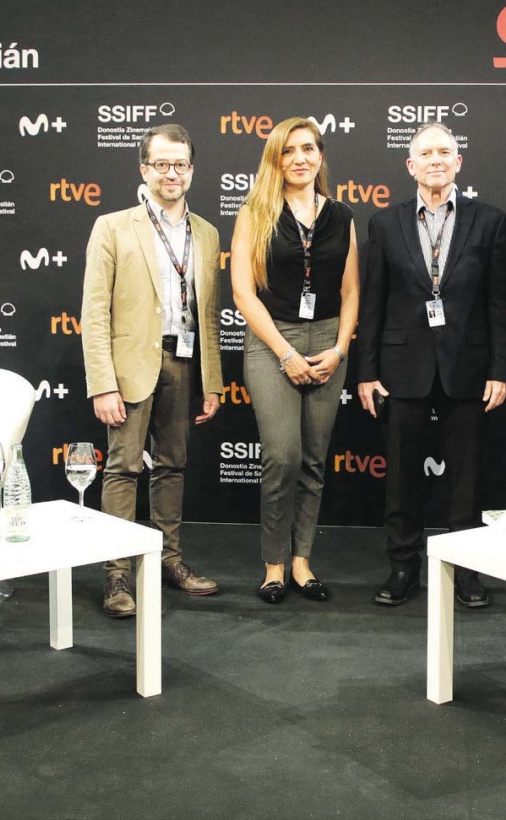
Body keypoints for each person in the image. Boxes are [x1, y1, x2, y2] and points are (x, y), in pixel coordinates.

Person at [356, 122, 506, 608]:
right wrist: (367, 372)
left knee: (467, 480)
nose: (436, 161)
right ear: (411, 165)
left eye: (445, 152)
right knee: (401, 477)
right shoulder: (385, 223)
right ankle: (403, 567)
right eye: (426, 154)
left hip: (468, 368)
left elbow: (502, 304)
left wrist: (501, 370)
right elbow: (372, 303)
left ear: (458, 162)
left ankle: (466, 570)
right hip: (401, 368)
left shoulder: (490, 222)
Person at [81, 123, 223, 618]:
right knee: (123, 468)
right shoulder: (112, 226)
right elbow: (94, 312)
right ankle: (117, 573)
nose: (171, 173)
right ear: (144, 169)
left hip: (183, 362)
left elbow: (208, 315)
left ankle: (168, 559)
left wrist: (212, 382)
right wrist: (102, 383)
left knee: (173, 465)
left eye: (180, 164)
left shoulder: (207, 232)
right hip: (130, 367)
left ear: (191, 171)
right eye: (161, 164)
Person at [231, 117, 359, 604]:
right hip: (273, 340)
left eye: (308, 148)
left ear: (320, 156)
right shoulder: (255, 211)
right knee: (281, 456)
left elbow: (351, 291)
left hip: (327, 340)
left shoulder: (342, 215)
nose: (299, 158)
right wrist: (285, 353)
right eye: (288, 150)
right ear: (275, 159)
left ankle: (302, 562)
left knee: (313, 459)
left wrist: (340, 349)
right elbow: (243, 293)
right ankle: (274, 565)